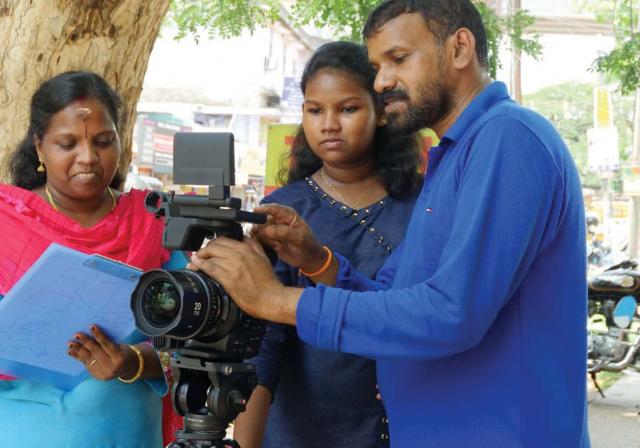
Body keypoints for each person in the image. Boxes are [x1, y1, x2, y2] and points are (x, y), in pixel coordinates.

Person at [190, 1, 589, 446]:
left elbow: (451, 314)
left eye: (398, 59)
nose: (382, 82)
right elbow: (397, 301)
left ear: (459, 48)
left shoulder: (507, 137)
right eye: (378, 66)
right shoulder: (455, 155)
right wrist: (317, 261)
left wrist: (274, 299)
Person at [0, 71, 181, 447]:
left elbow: (193, 340)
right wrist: (22, 346)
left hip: (129, 435)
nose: (88, 158)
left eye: (104, 142)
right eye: (68, 143)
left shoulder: (151, 225)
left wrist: (131, 361)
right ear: (40, 147)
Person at [232, 41, 421, 448]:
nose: (329, 124)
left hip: (404, 421)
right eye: (315, 110)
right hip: (302, 427)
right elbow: (265, 342)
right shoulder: (283, 211)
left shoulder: (424, 205)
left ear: (381, 113)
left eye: (347, 109)